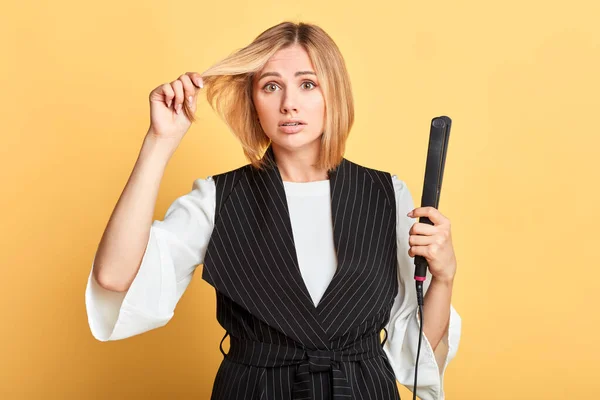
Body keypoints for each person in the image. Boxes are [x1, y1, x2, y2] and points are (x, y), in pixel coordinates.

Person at [85, 21, 461, 400]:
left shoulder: (387, 194)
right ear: (254, 102)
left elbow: (417, 352)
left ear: (335, 94)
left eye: (307, 84)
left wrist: (443, 277)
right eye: (271, 86)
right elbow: (115, 277)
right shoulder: (218, 198)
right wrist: (159, 142)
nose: (289, 104)